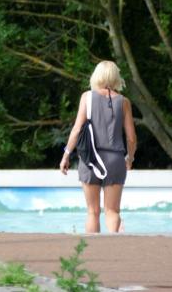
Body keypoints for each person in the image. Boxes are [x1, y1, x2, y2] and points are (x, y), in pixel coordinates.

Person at [60, 60, 137, 233]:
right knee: (112, 211)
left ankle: (93, 248)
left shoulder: (87, 97)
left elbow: (77, 129)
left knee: (92, 212)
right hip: (115, 161)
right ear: (116, 77)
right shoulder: (124, 102)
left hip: (90, 160)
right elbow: (131, 138)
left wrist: (66, 155)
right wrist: (129, 158)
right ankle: (113, 246)